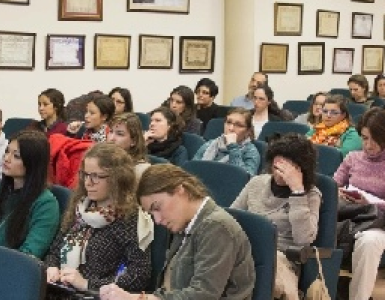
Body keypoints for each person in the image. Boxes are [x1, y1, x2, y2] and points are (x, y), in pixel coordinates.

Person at [99, 164, 256, 300]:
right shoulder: (185, 224)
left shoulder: (217, 227)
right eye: (152, 214)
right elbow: (171, 287)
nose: (158, 220)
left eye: (157, 207)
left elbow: (202, 296)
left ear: (180, 190)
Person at [44, 143, 152, 292]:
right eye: (85, 175)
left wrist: (87, 284)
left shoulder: (129, 217)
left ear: (117, 179)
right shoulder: (80, 207)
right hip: (60, 289)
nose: (88, 183)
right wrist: (52, 268)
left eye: (96, 176)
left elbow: (139, 275)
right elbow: (54, 251)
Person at [231, 133, 321, 300]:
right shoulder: (256, 183)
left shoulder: (311, 195)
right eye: (277, 165)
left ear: (301, 168)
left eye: (288, 167)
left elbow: (304, 239)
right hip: (245, 250)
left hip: (282, 258)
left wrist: (297, 192)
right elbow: (232, 218)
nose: (281, 173)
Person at [0, 131, 60, 259]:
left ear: (32, 163)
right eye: (7, 151)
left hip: (11, 272)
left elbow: (30, 253)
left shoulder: (45, 204)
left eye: (16, 156)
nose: (6, 158)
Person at [333, 107, 385, 300]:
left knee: (369, 242)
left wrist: (371, 203)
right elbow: (332, 186)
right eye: (364, 138)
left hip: (379, 221)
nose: (368, 145)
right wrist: (339, 192)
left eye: (375, 139)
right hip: (351, 216)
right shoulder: (352, 158)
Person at [193, 107, 260, 176]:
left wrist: (233, 147)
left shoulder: (251, 151)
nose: (231, 128)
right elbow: (193, 168)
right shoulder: (211, 144)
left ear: (248, 131)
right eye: (228, 122)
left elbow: (245, 178)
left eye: (238, 125)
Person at [107, 112, 150, 179]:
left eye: (120, 134)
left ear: (134, 141)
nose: (112, 138)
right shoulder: (102, 162)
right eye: (111, 131)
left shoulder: (142, 171)